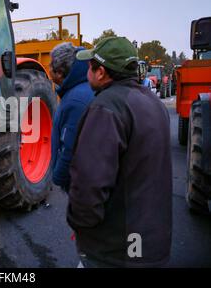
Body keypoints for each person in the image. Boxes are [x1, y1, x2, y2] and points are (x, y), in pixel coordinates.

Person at [67, 37, 172, 268]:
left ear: (101, 72)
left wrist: (82, 226)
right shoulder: (154, 103)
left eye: (90, 66)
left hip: (114, 252)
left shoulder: (106, 108)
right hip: (152, 244)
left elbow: (88, 183)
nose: (87, 71)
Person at [49, 43, 95, 193]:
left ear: (60, 73)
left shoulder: (75, 101)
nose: (48, 69)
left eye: (50, 66)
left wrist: (58, 177)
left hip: (81, 186)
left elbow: (70, 148)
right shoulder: (83, 89)